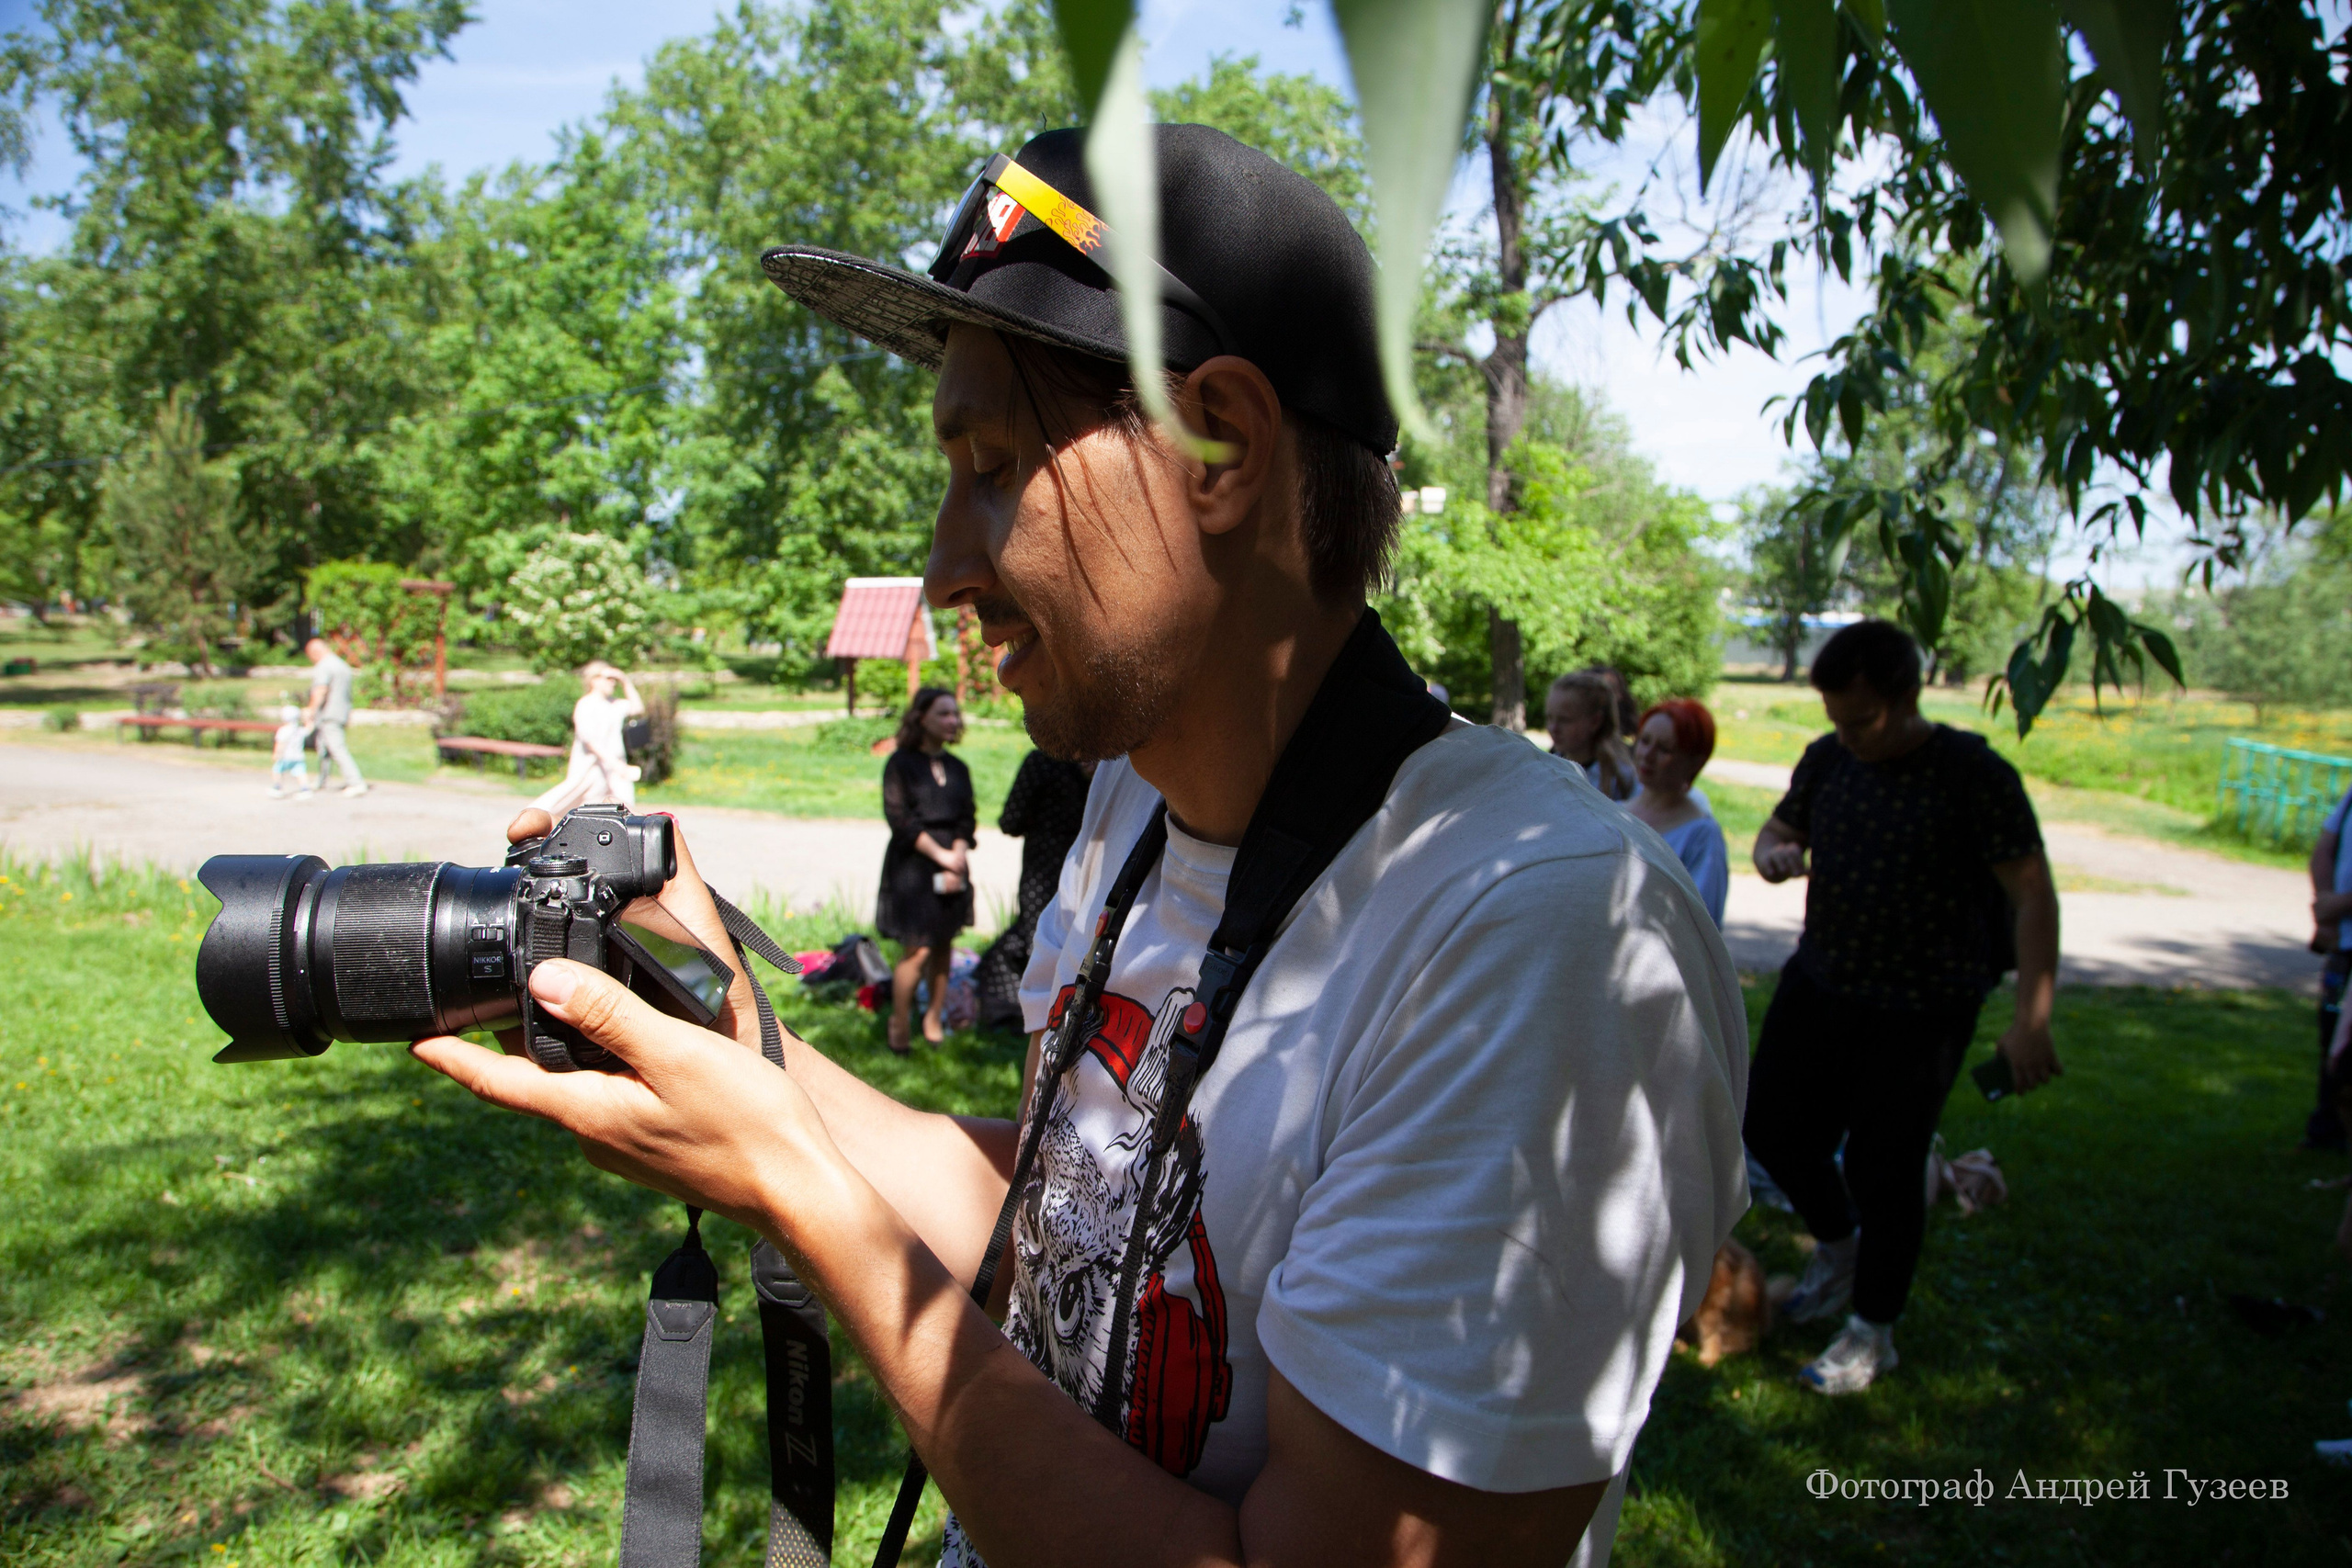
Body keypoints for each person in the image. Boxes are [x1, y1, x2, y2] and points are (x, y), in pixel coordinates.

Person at [413, 124, 1747, 1568]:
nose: (941, 562)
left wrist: (797, 1195)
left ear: (1220, 445)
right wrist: (731, 1019)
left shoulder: (1534, 934)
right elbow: (1074, 1219)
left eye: (992, 462)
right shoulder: (1126, 798)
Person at [1746, 618, 2061, 1394]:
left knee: (1889, 1166)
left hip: (1922, 1009)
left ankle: (1871, 1332)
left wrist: (2032, 1019)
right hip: (1821, 981)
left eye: (1861, 721)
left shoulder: (1971, 773)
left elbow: (2032, 894)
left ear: (1905, 696)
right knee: (1772, 1131)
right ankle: (1841, 1248)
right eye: (1835, 722)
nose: (1846, 737)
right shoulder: (1829, 760)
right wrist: (1776, 857)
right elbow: (1771, 834)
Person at [878, 686, 976, 1053]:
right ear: (921, 718)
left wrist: (958, 854)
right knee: (917, 949)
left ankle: (933, 1018)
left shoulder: (958, 767)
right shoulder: (900, 763)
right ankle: (899, 1022)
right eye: (943, 714)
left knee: (944, 946)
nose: (952, 721)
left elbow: (967, 817)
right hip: (914, 868)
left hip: (954, 861)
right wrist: (942, 856)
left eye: (955, 714)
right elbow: (899, 819)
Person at [972, 749, 1094, 1032]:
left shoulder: (1045, 760)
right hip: (1088, 871)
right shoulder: (1115, 763)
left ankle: (1040, 1024)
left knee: (1039, 946)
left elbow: (1011, 820)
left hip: (1047, 870)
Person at [1627, 698, 1727, 927]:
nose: (1647, 755)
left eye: (1664, 749)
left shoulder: (1702, 836)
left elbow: (1703, 927)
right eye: (1644, 741)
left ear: (1694, 763)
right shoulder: (1615, 809)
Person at [531, 660, 645, 817]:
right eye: (608, 678)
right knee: (577, 807)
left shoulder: (614, 704)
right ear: (594, 680)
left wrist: (625, 680)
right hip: (591, 767)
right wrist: (615, 764)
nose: (612, 682)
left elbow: (638, 708)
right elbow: (590, 741)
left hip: (616, 767)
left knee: (626, 809)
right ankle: (535, 819)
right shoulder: (585, 705)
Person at [2305, 789, 2352, 1151]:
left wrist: (2336, 906)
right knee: (2332, 1034)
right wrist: (2325, 904)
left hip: (2339, 922)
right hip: (2341, 943)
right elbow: (2324, 848)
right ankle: (2327, 1128)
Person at [1545, 671, 1636, 800]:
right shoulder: (1547, 767)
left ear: (1595, 721)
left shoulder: (1619, 778)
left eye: (1565, 720)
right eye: (1549, 718)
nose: (1553, 728)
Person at [300, 636, 368, 798]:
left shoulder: (324, 666)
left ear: (314, 652)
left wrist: (310, 710)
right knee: (323, 748)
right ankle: (321, 780)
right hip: (341, 711)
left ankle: (356, 782)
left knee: (336, 748)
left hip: (329, 714)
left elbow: (321, 690)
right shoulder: (341, 664)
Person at [266, 703, 313, 800]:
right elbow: (309, 729)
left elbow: (280, 743)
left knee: (277, 770)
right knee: (301, 773)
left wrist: (276, 754)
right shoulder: (299, 729)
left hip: (285, 756)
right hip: (298, 756)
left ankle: (277, 787)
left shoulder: (283, 730)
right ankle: (305, 789)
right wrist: (308, 719)